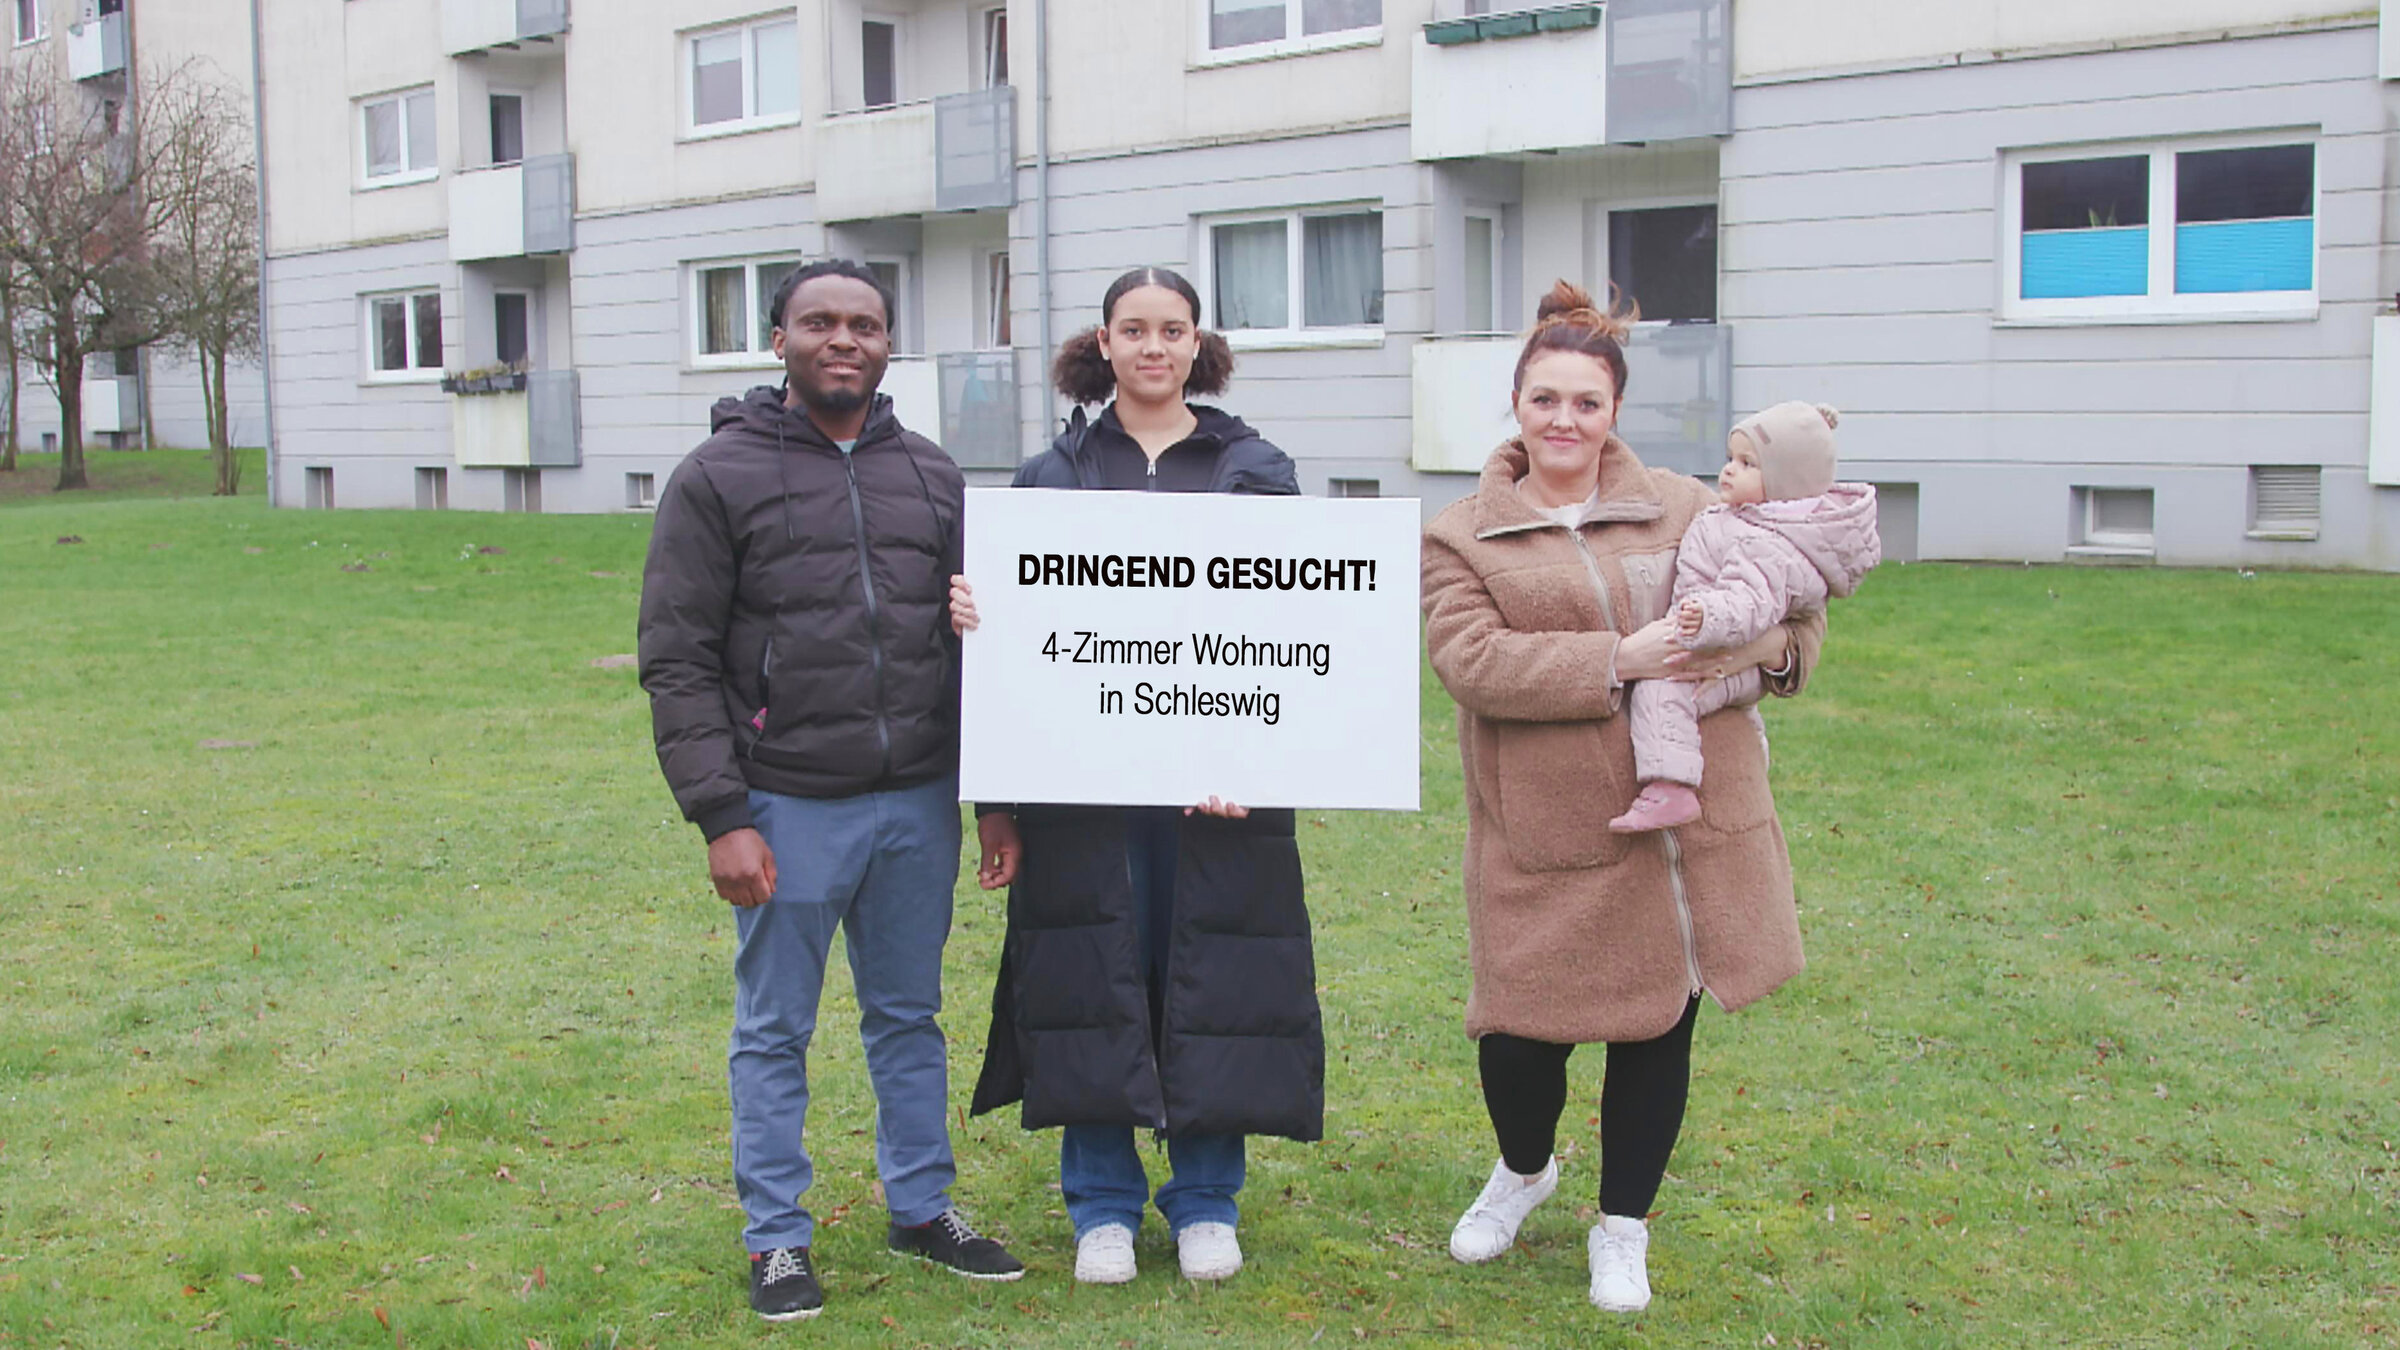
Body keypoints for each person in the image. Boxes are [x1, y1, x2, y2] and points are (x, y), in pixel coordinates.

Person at [1419, 281, 1827, 1315]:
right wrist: (1621, 657)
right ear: (1517, 403)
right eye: (1545, 399)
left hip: (1678, 832)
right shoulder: (1461, 535)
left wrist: (1759, 653)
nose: (1565, 420)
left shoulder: (1689, 506)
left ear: (1614, 410)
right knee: (1519, 1038)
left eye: (1586, 402)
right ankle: (1525, 1170)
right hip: (1546, 833)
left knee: (1656, 1029)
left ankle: (1623, 1226)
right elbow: (1472, 662)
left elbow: (1799, 604)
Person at [637, 258, 1022, 1324]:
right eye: (819, 322)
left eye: (864, 323)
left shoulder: (933, 476)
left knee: (910, 1016)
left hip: (916, 800)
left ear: (889, 343)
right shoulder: (717, 477)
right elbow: (676, 658)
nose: (842, 339)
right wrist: (722, 816)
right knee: (775, 1028)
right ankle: (776, 1238)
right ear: (781, 341)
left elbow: (980, 646)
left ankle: (922, 1207)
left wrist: (992, 798)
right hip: (787, 803)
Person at [948, 266, 1319, 1287]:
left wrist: (1256, 760)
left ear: (1199, 343)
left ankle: (1205, 1199)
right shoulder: (1048, 478)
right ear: (1103, 342)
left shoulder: (1255, 470)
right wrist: (981, 618)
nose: (1154, 347)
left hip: (1216, 791)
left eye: (1173, 330)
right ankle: (1102, 1204)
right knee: (1091, 975)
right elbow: (1011, 653)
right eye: (1135, 329)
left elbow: (1296, 627)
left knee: (1214, 975)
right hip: (1083, 792)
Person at [1607, 402, 1881, 833]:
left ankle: (1671, 786)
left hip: (1720, 639)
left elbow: (1749, 601)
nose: (1729, 470)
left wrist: (1705, 618)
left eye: (1747, 463)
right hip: (1721, 637)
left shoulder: (1765, 543)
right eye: (1731, 458)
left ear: (1784, 482)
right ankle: (1752, 751)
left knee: (1663, 690)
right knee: (1725, 705)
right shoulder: (1747, 520)